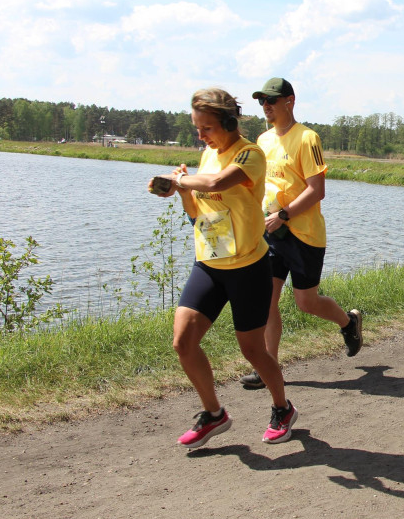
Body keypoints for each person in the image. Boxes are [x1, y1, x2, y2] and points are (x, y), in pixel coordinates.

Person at [150, 88, 296, 448]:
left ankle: (283, 408)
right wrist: (182, 191)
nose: (201, 135)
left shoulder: (250, 155)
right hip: (210, 263)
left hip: (248, 266)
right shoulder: (208, 155)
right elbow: (198, 211)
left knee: (252, 350)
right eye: (197, 128)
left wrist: (181, 181)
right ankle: (214, 415)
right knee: (183, 341)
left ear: (229, 122)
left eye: (207, 128)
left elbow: (216, 184)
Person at [239, 78, 363, 389]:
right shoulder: (263, 140)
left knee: (306, 302)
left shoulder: (307, 138)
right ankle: (269, 368)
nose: (266, 106)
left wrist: (284, 215)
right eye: (261, 101)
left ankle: (349, 322)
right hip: (271, 234)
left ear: (289, 101)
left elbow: (316, 190)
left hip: (303, 234)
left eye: (271, 100)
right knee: (267, 300)